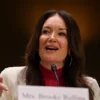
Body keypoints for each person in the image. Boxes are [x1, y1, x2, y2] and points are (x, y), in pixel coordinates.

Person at [0, 10, 99, 100]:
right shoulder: (9, 77)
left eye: (61, 34)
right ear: (38, 41)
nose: (52, 38)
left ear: (70, 47)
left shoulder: (90, 87)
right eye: (46, 32)